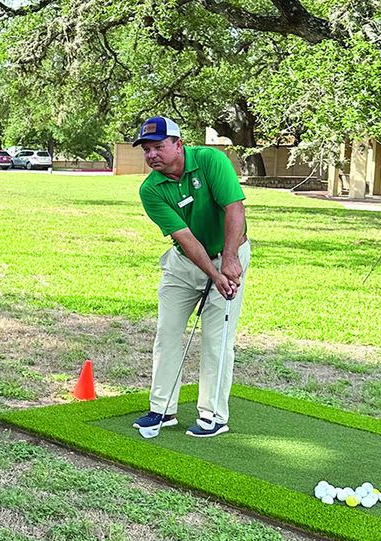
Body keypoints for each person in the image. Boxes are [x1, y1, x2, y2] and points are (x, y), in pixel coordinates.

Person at [130, 116, 251, 438]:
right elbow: (185, 238)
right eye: (146, 150)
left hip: (229, 253)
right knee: (167, 332)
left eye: (158, 147)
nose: (151, 155)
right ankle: (162, 409)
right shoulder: (151, 189)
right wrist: (214, 273)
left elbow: (234, 208)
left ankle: (213, 415)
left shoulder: (211, 160)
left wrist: (228, 261)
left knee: (217, 340)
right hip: (184, 264)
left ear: (179, 144)